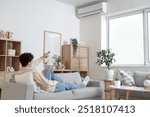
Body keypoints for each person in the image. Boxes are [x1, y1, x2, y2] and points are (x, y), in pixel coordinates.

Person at [19, 52, 89, 93]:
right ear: (28, 63)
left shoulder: (22, 70)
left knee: (48, 71)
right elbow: (46, 84)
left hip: (46, 85)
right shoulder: (33, 71)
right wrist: (55, 83)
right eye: (31, 61)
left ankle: (63, 82)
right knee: (67, 84)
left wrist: (42, 57)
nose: (32, 62)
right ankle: (81, 85)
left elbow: (34, 63)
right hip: (51, 88)